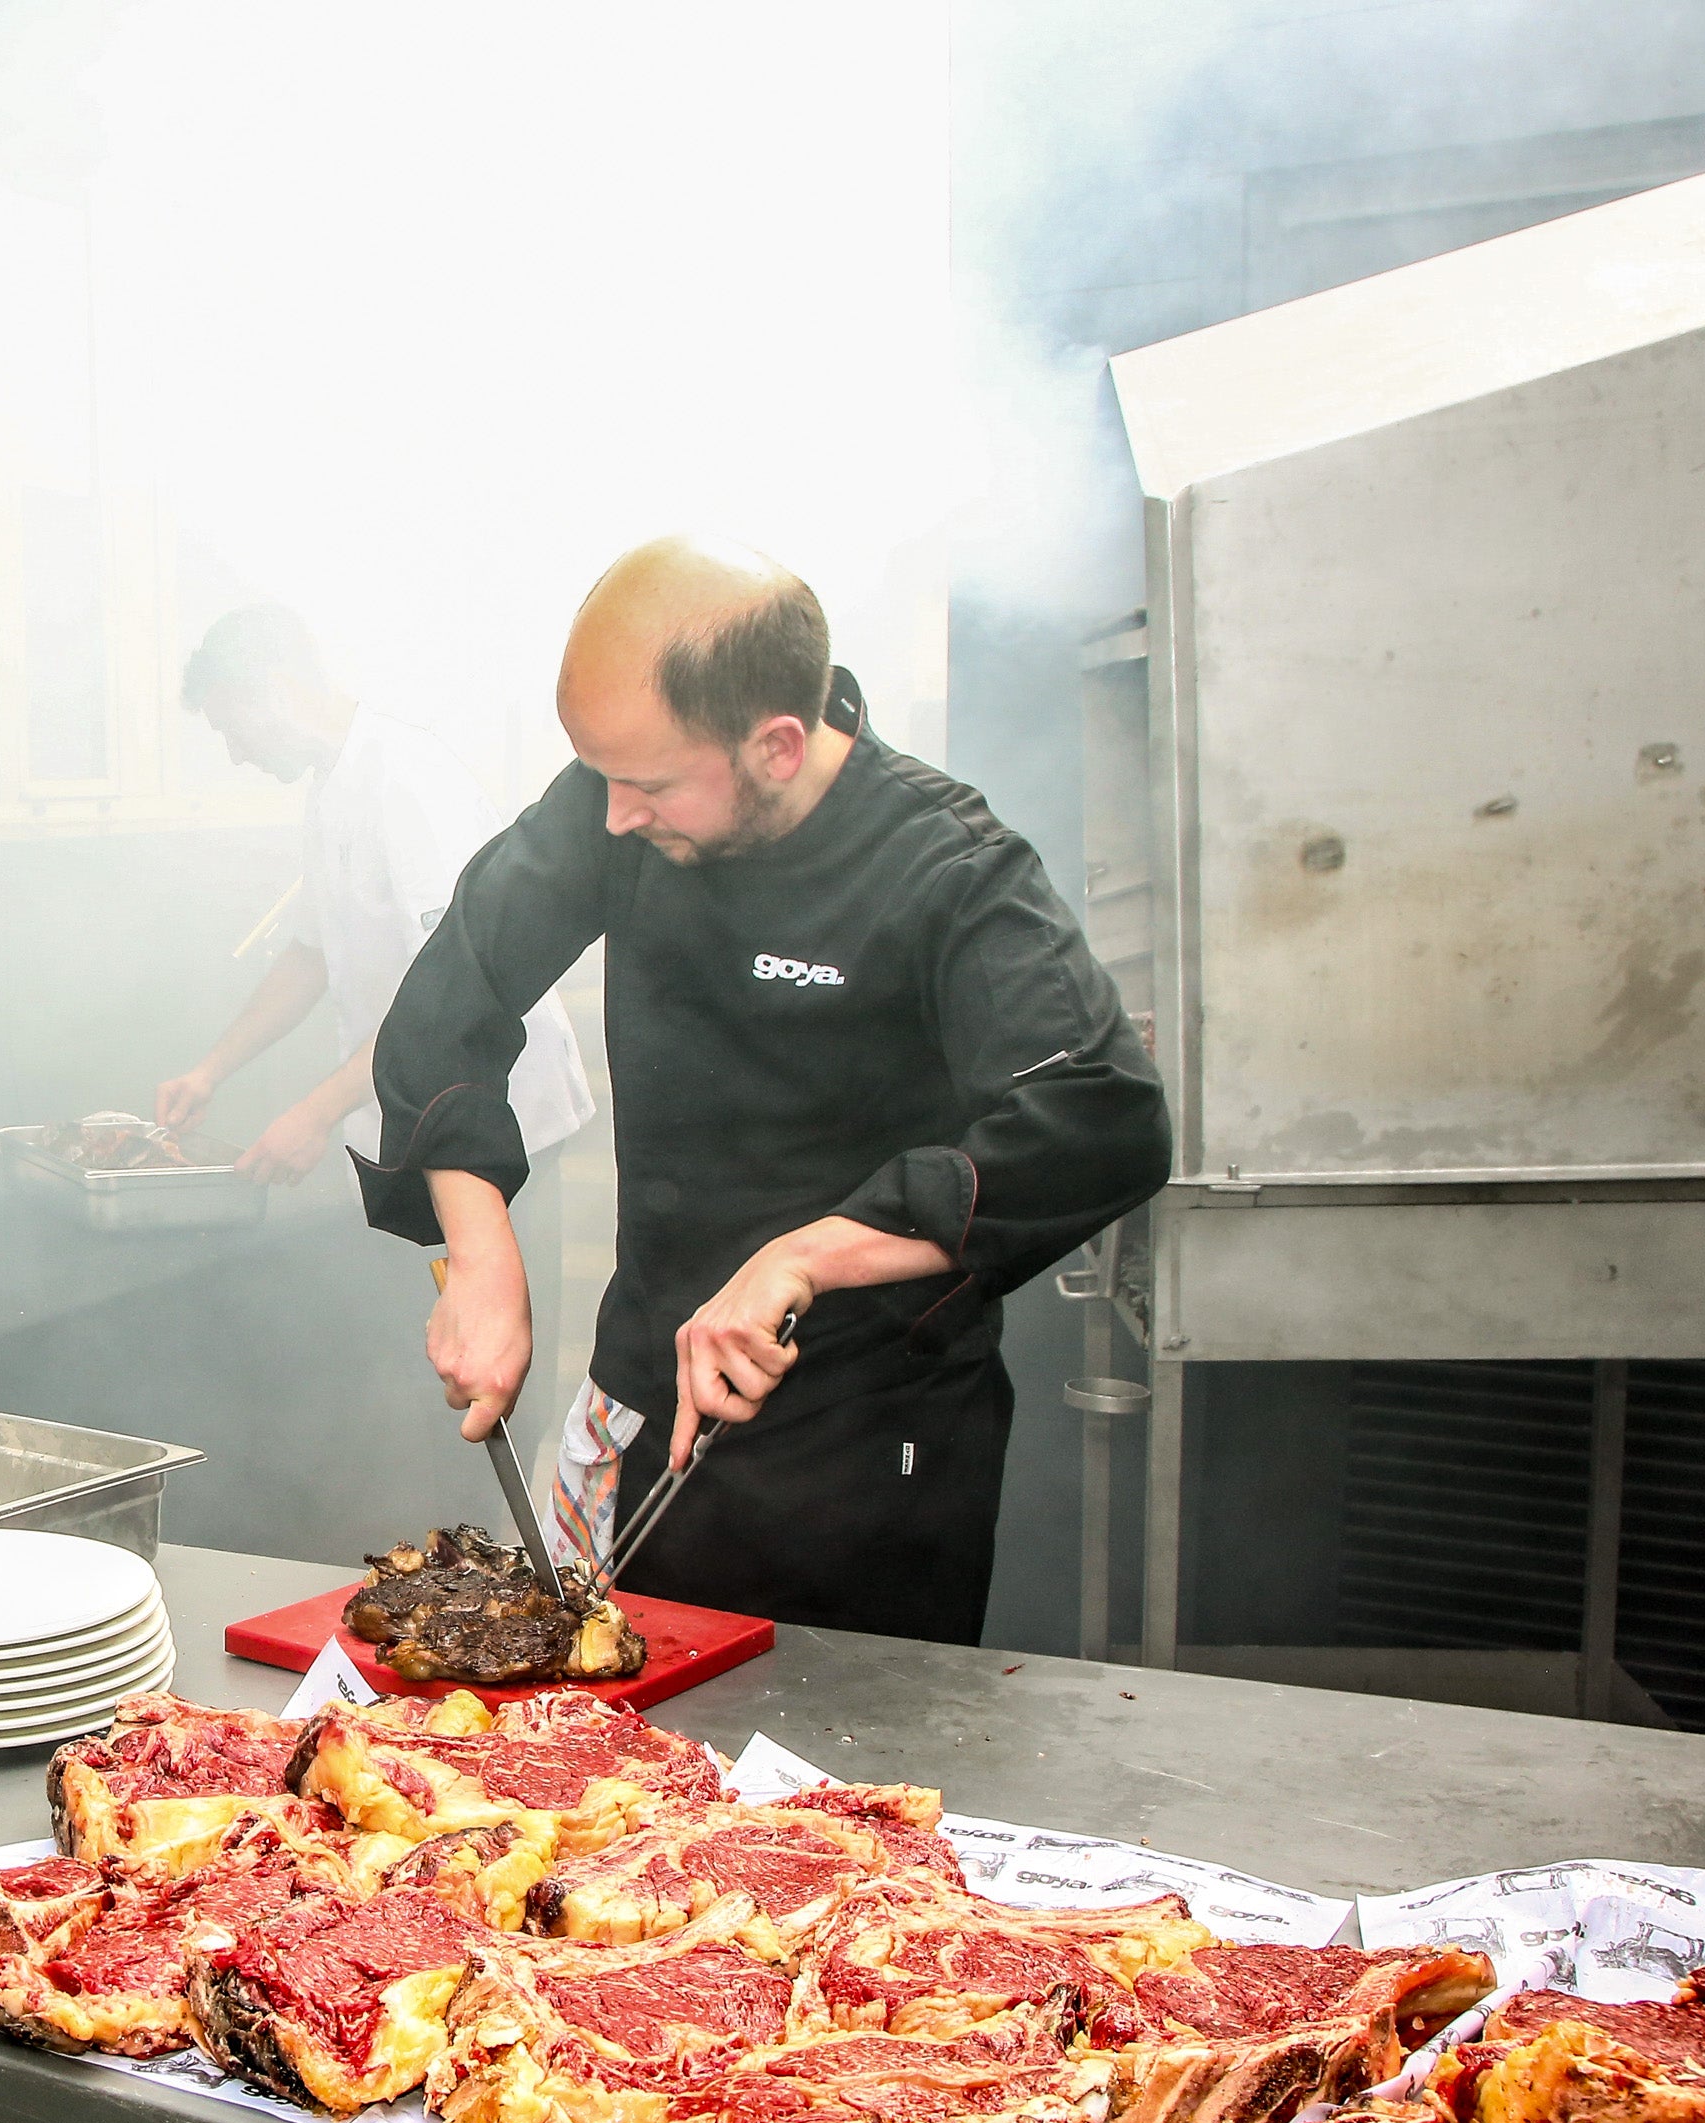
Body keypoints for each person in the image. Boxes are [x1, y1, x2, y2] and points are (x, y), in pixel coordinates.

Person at [363, 537, 1167, 1644]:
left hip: (866, 1449)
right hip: (643, 1388)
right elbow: (453, 997)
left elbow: (1103, 1118)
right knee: (588, 1754)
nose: (611, 820)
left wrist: (802, 1256)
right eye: (602, 779)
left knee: (827, 1790)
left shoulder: (951, 870)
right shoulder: (626, 790)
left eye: (645, 786)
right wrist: (481, 1249)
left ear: (778, 748)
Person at [158, 603, 591, 1184]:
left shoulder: (405, 781)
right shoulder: (331, 787)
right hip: (415, 1114)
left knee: (495, 1277)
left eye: (231, 727)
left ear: (276, 690)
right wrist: (210, 1070)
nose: (236, 753)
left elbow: (450, 992)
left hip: (496, 1117)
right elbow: (309, 956)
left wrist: (314, 1114)